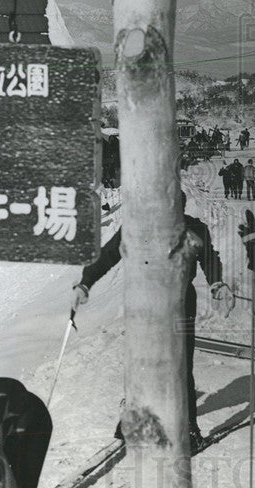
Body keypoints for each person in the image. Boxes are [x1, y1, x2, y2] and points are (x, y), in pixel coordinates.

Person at [72, 192, 229, 451]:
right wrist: (85, 283)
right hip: (147, 305)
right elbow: (108, 254)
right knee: (143, 363)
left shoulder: (195, 228)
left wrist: (217, 283)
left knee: (181, 366)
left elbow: (209, 258)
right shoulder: (138, 229)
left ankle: (188, 429)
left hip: (182, 304)